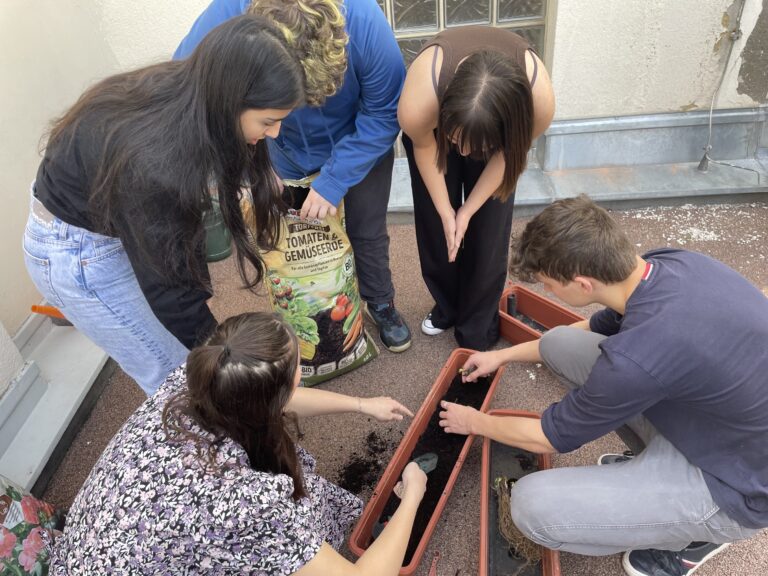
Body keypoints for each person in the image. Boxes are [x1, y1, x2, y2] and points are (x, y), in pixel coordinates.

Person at [438, 195, 768, 576]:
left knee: (531, 506)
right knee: (559, 343)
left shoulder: (636, 357)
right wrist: (500, 357)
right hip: (722, 423)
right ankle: (651, 468)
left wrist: (473, 422)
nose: (547, 292)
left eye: (548, 285)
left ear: (581, 283)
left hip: (738, 488)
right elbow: (591, 330)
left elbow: (545, 437)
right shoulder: (667, 265)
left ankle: (690, 540)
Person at [23, 16, 304, 396]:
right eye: (268, 122)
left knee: (192, 367)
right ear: (230, 101)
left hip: (105, 216)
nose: (276, 134)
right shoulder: (157, 165)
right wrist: (231, 359)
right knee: (180, 377)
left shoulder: (191, 89)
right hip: (77, 254)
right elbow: (173, 293)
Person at [51, 312, 427, 575]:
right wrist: (412, 493)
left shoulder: (197, 381)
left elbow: (272, 396)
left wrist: (362, 405)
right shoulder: (246, 502)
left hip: (100, 548)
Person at [175, 0, 412, 353]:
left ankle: (380, 303)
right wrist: (249, 167)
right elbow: (192, 90)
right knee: (285, 238)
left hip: (357, 140)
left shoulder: (363, 21)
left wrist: (335, 179)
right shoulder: (228, 15)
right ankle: (304, 313)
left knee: (366, 229)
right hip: (274, 148)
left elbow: (384, 111)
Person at [398, 26, 555, 351]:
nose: (466, 155)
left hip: (498, 140)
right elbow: (425, 149)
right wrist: (447, 211)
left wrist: (468, 210)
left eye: (475, 149)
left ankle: (478, 325)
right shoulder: (419, 103)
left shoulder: (538, 104)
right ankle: (447, 307)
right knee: (437, 225)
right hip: (435, 140)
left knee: (489, 231)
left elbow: (507, 155)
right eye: (459, 144)